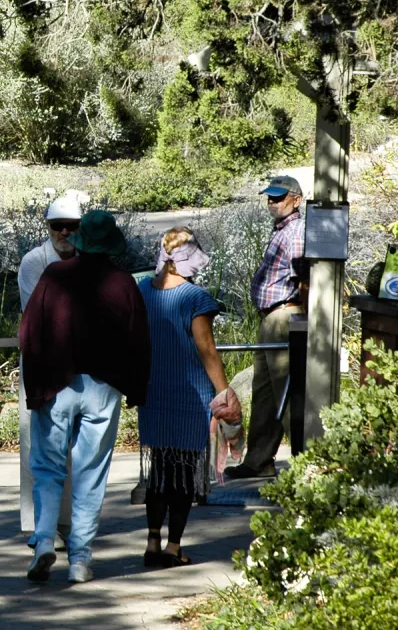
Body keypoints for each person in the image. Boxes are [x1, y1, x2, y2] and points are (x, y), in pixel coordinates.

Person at [20, 209, 151, 584]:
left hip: (57, 385)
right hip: (103, 387)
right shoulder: (123, 283)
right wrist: (136, 389)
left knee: (46, 467)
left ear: (78, 240)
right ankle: (79, 558)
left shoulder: (53, 276)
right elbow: (138, 340)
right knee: (90, 472)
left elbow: (30, 334)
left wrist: (35, 390)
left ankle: (44, 539)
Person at [137, 228, 237, 568]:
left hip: (153, 391)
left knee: (159, 469)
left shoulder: (143, 291)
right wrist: (224, 393)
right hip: (189, 394)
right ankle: (173, 546)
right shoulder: (196, 298)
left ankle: (152, 541)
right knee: (184, 472)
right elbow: (206, 349)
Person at [225, 175, 307, 479]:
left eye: (279, 197)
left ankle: (307, 463)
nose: (272, 202)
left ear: (296, 199)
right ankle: (259, 460)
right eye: (270, 197)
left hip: (284, 317)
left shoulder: (296, 230)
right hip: (272, 318)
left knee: (286, 392)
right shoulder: (283, 230)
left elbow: (305, 278)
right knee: (265, 393)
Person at [15, 195, 83, 539]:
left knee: (73, 445)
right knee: (36, 443)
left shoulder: (88, 261)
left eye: (72, 226)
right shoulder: (33, 262)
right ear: (48, 227)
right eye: (58, 226)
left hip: (79, 364)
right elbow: (38, 316)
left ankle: (66, 522)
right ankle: (39, 524)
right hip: (40, 361)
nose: (65, 232)